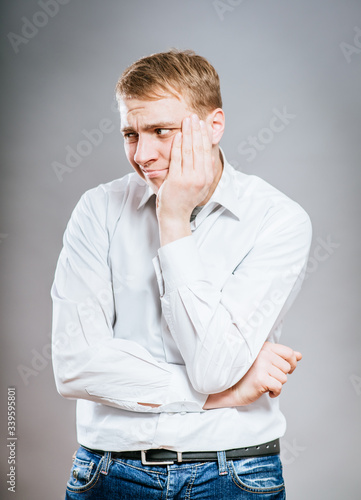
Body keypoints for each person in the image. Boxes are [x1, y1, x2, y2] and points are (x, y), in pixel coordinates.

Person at [51, 49, 312, 499]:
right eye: (130, 133)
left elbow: (212, 368)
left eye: (160, 131)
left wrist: (172, 218)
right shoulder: (97, 209)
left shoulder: (279, 220)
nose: (143, 154)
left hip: (235, 475)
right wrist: (220, 396)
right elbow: (74, 368)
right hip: (109, 474)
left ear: (214, 125)